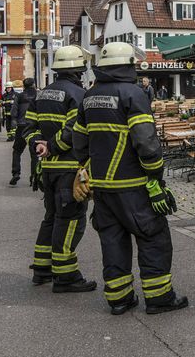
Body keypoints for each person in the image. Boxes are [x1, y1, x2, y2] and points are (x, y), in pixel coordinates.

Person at [71, 42, 188, 316]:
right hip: (134, 187)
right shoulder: (133, 94)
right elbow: (146, 142)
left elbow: (79, 139)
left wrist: (87, 169)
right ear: (128, 65)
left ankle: (119, 299)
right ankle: (159, 298)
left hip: (103, 189)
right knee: (154, 238)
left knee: (112, 241)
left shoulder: (90, 96)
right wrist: (155, 176)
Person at [24, 46, 97, 292]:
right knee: (70, 221)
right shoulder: (79, 94)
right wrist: (53, 147)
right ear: (79, 70)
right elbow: (74, 131)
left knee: (51, 217)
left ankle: (42, 268)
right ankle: (66, 277)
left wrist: (38, 145)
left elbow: (29, 127)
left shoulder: (42, 94)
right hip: (70, 170)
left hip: (48, 170)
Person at [9, 78, 37, 186]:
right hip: (34, 127)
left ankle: (16, 173)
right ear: (33, 85)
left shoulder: (20, 96)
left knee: (17, 151)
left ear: (24, 86)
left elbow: (14, 111)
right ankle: (34, 176)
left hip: (21, 127)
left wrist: (14, 120)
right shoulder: (38, 96)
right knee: (34, 154)